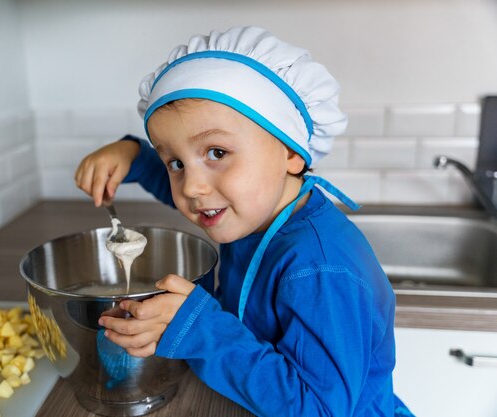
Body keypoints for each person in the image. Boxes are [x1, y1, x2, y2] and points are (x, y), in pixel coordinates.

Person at [75, 26, 414, 417]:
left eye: (217, 151)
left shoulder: (319, 269)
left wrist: (199, 329)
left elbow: (320, 409)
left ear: (291, 152)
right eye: (176, 163)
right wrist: (133, 155)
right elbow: (194, 191)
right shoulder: (252, 210)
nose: (193, 187)